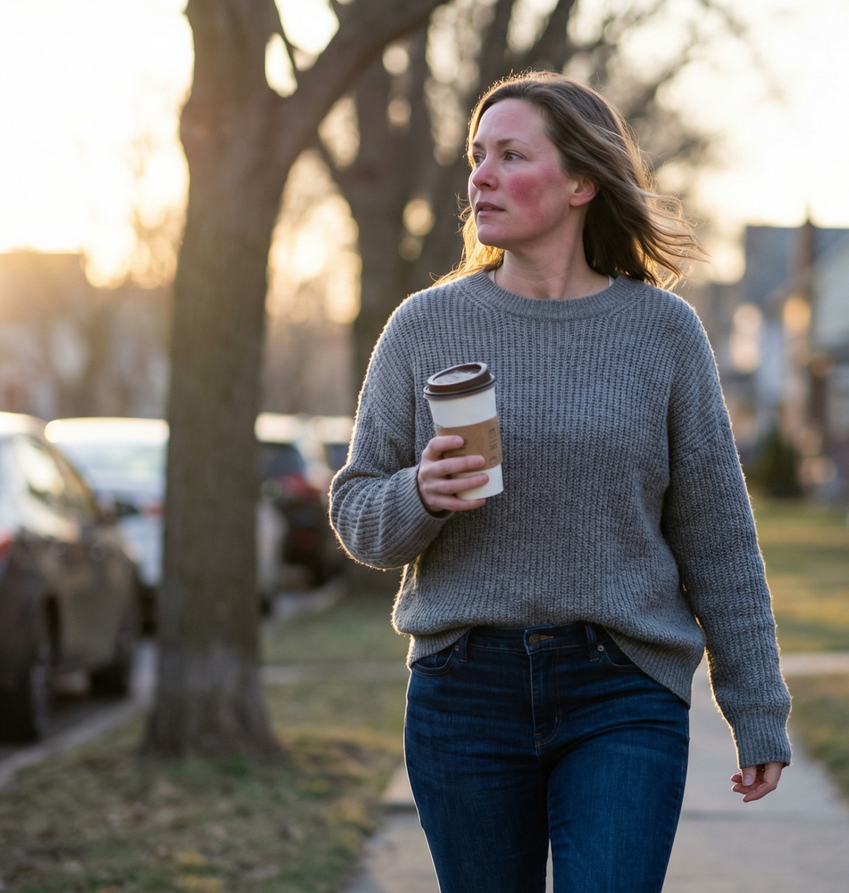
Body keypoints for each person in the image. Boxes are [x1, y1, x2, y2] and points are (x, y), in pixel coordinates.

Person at [330, 71, 790, 893]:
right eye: (478, 156)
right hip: (463, 687)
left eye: (511, 154)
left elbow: (718, 536)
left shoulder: (663, 332)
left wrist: (756, 705)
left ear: (581, 181)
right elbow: (359, 513)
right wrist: (421, 493)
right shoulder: (424, 325)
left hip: (620, 685)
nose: (481, 175)